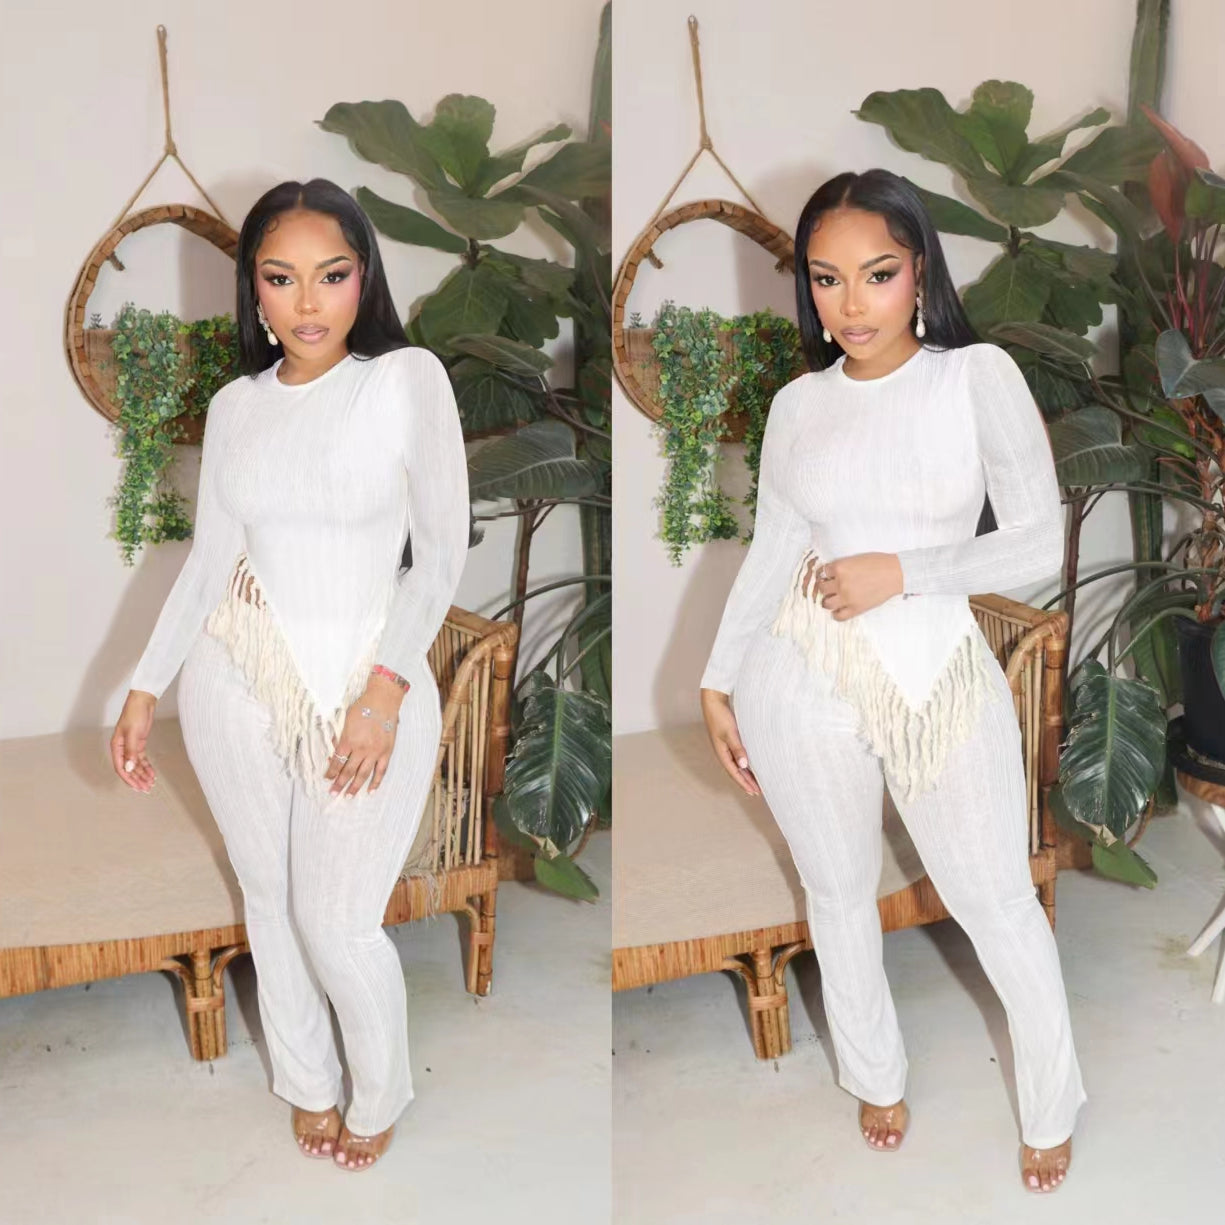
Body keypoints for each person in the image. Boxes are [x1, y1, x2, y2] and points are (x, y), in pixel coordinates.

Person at [699, 169, 1085, 1194]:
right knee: (834, 891)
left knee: (995, 898)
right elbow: (775, 547)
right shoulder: (797, 404)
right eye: (825, 279)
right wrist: (719, 677)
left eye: (876, 273)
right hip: (798, 673)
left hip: (935, 675)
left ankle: (1051, 1103)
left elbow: (1036, 542)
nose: (850, 303)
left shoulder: (976, 377)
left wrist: (902, 572)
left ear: (919, 269)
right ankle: (874, 1075)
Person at [108, 178, 471, 1172]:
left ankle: (379, 1089)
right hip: (235, 676)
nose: (308, 301)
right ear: (254, 290)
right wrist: (144, 685)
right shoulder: (236, 406)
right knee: (266, 895)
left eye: (331, 274)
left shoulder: (404, 381)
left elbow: (440, 555)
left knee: (337, 919)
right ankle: (308, 1081)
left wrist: (384, 692)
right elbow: (210, 560)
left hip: (365, 685)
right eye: (281, 278)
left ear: (364, 278)